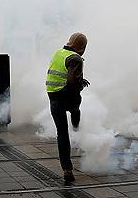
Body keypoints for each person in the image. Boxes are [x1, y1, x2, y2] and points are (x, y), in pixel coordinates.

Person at [45, 32, 89, 183]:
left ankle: (67, 170)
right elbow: (71, 81)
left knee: (62, 134)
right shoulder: (75, 58)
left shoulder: (59, 53)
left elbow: (63, 73)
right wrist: (80, 84)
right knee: (76, 105)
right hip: (66, 95)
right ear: (82, 48)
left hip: (53, 96)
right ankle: (76, 125)